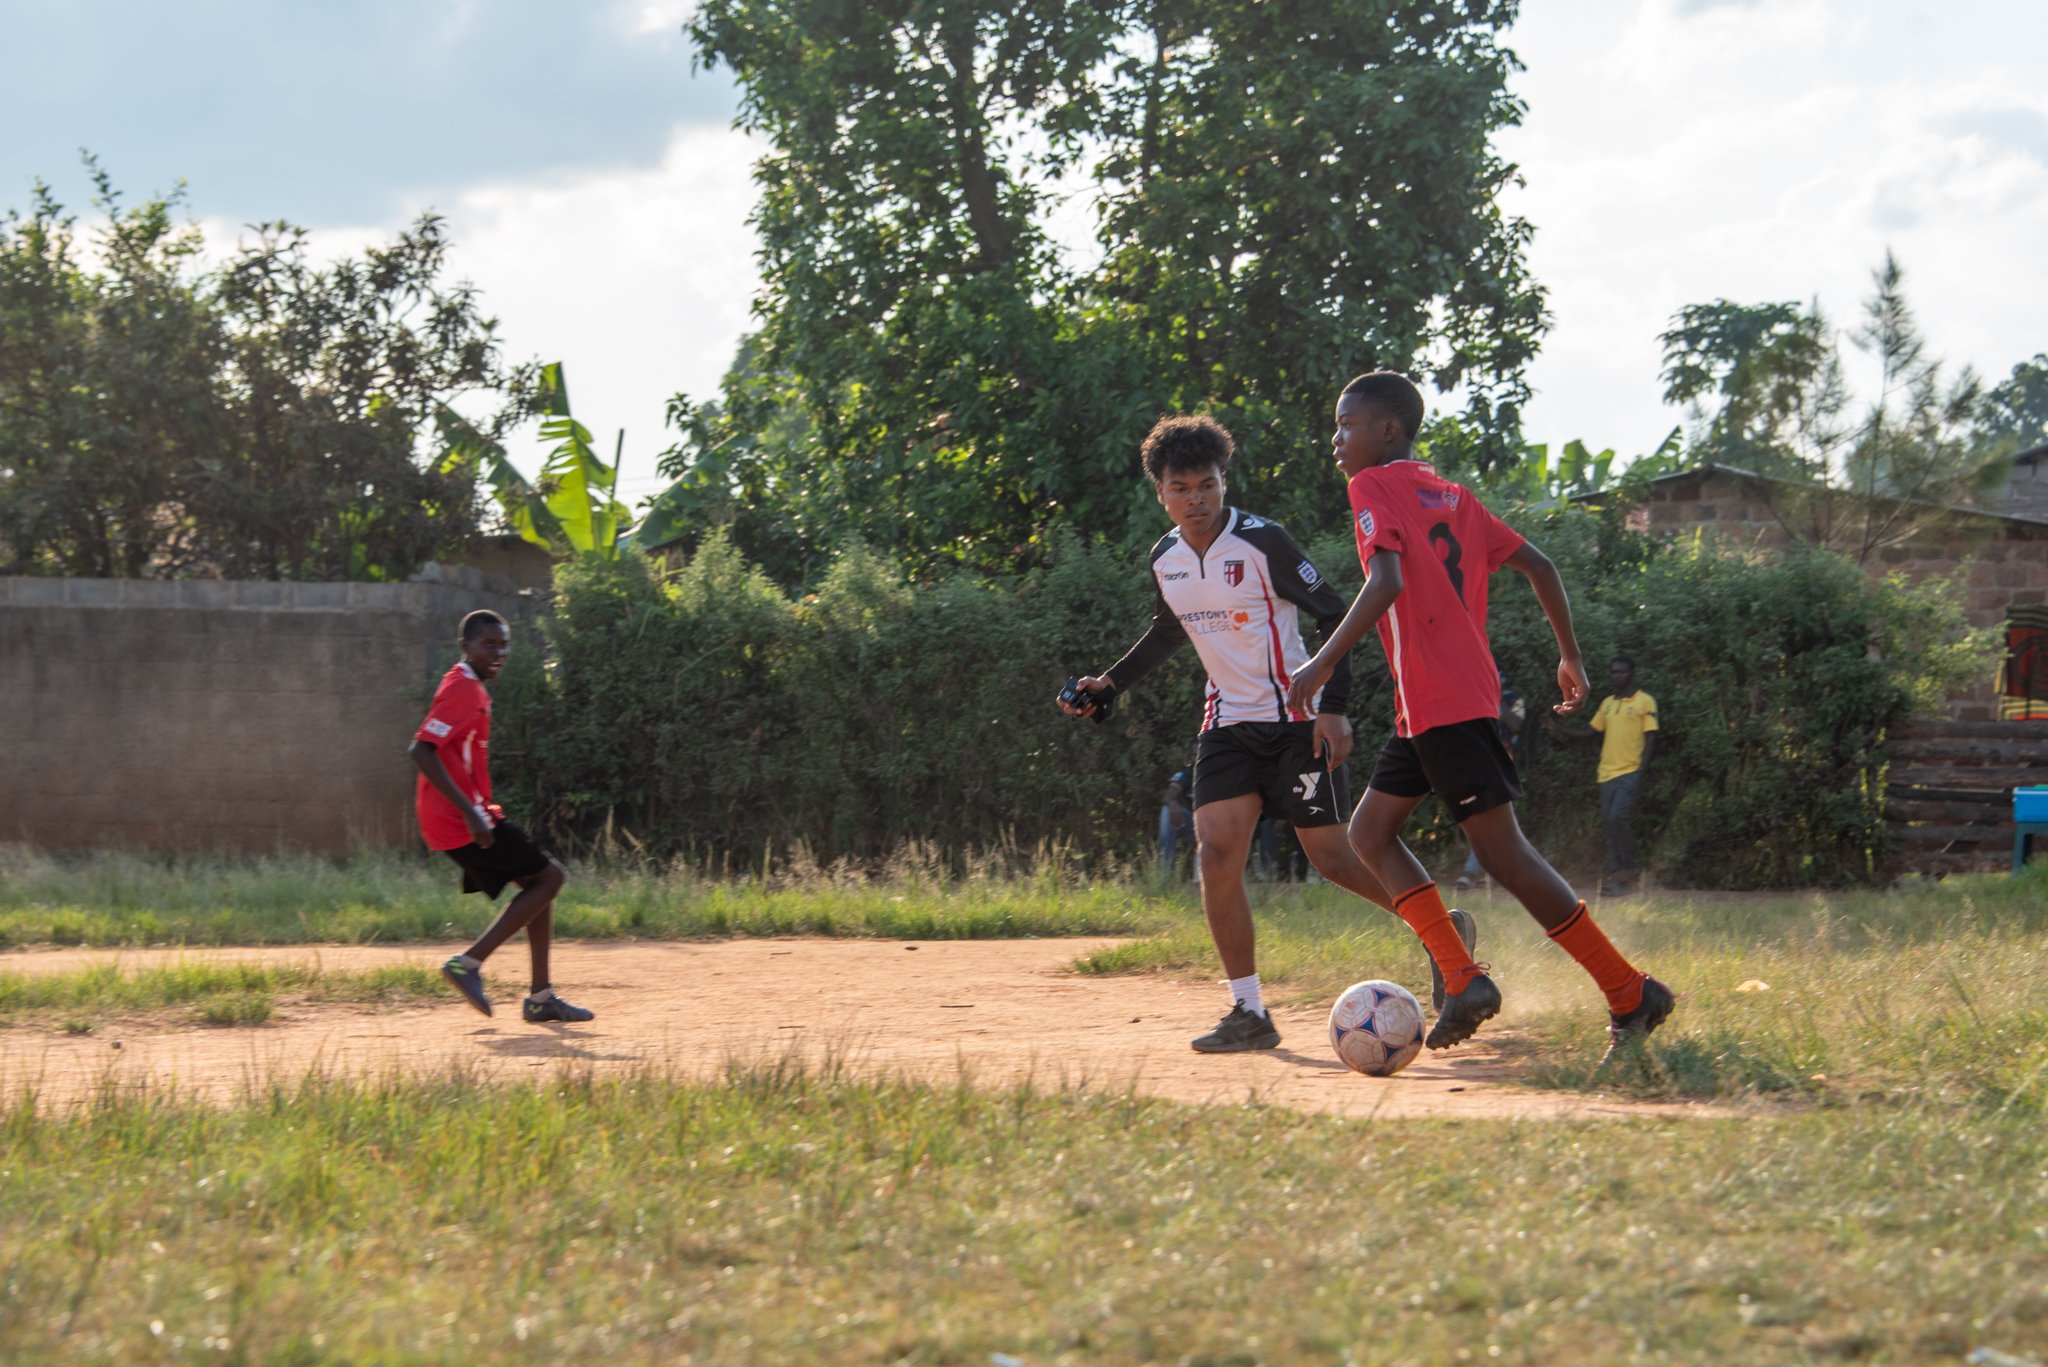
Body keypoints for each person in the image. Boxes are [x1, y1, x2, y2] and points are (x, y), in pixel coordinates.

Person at [1286, 372, 1673, 1063]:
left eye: (1346, 424)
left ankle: (1629, 992)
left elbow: (1386, 581)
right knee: (1370, 833)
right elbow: (1542, 565)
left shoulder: (1371, 485)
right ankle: (1462, 977)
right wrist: (1570, 656)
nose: (1336, 439)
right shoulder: (1455, 497)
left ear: (1388, 430)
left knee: (1503, 854)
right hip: (1429, 707)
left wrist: (1320, 663)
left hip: (1446, 701)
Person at [1059, 414, 1473, 1053]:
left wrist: (1334, 707)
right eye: (1181, 488)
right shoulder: (1166, 558)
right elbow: (1170, 629)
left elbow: (1335, 614)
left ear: (1223, 482)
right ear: (1160, 492)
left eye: (1207, 484)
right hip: (1226, 725)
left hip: (1295, 722)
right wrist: (1109, 684)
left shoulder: (1263, 542)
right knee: (1215, 855)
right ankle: (1249, 1011)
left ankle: (1441, 933)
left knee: (1333, 858)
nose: (1196, 499)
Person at [411, 609, 593, 1024]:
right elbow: (420, 750)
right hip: (459, 818)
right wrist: (470, 814)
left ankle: (541, 998)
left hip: (468, 813)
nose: (498, 653)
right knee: (551, 878)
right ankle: (468, 964)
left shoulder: (469, 686)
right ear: (466, 646)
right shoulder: (462, 689)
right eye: (488, 644)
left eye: (503, 645)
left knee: (538, 884)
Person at [1552, 655, 1658, 895]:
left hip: (1629, 771)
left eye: (1621, 672)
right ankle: (1616, 877)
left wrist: (1641, 770)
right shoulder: (1608, 704)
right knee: (1610, 825)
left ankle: (1629, 870)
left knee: (1617, 817)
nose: (1616, 676)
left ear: (1631, 674)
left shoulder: (1645, 702)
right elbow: (1589, 732)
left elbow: (1650, 737)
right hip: (1606, 773)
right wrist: (1557, 727)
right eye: (1614, 672)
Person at [1456, 673, 1526, 890]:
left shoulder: (1513, 699)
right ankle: (1491, 871)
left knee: (1490, 815)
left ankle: (1473, 871)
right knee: (1482, 814)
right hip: (1477, 761)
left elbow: (1515, 725)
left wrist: (1498, 700)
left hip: (1502, 764)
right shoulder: (1473, 697)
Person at [1158, 758, 1194, 876]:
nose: (1198, 756)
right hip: (1194, 824)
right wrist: (1172, 803)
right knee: (1167, 811)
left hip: (1217, 825)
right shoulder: (1188, 773)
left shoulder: (1219, 772)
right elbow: (1168, 796)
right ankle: (1166, 874)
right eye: (1195, 754)